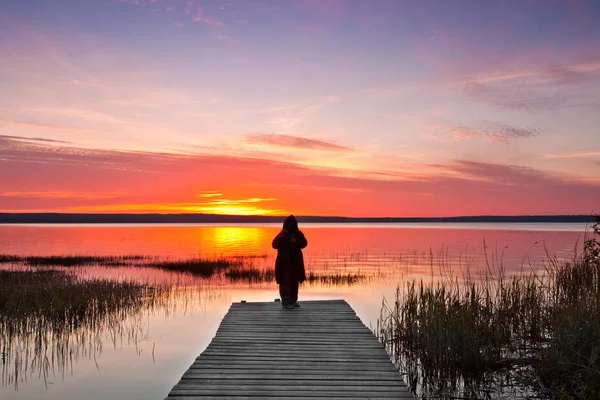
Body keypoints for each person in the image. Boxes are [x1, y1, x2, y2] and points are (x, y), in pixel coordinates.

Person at [272, 215, 307, 309]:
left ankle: (293, 301)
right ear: (286, 225)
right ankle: (286, 302)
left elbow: (304, 244)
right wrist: (282, 237)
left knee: (295, 282)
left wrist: (296, 239)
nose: (291, 225)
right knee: (285, 282)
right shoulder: (282, 234)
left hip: (295, 263)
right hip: (284, 264)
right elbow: (274, 245)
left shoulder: (298, 234)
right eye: (289, 223)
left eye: (293, 223)